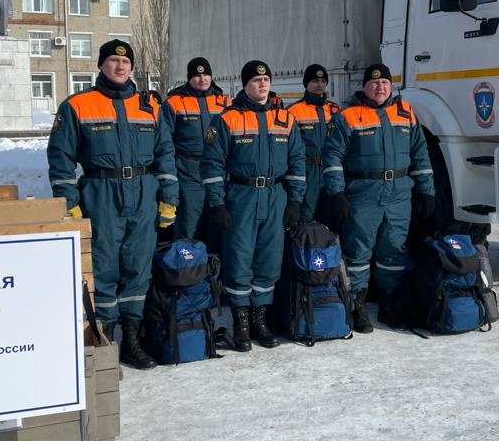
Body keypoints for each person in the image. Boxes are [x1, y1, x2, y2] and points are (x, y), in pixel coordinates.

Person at [47, 39, 178, 369]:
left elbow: (165, 155)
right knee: (103, 269)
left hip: (144, 193)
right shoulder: (78, 105)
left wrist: (168, 201)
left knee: (137, 268)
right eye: (113, 60)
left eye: (125, 61)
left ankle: (131, 341)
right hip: (101, 193)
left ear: (132, 67)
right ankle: (104, 342)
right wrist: (69, 203)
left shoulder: (150, 107)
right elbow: (60, 157)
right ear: (101, 65)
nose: (120, 66)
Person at [201, 59, 306, 351]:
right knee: (239, 259)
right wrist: (217, 204)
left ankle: (260, 320)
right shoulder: (227, 119)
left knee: (268, 260)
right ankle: (241, 323)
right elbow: (211, 164)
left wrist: (295, 199)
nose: (262, 84)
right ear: (245, 85)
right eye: (256, 80)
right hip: (241, 196)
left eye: (266, 80)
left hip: (275, 195)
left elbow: (297, 161)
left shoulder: (285, 119)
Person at [322, 62, 435, 333]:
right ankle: (358, 304)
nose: (379, 87)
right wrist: (336, 193)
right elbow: (332, 157)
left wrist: (426, 192)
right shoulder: (348, 116)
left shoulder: (405, 113)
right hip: (364, 193)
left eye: (384, 82)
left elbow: (420, 155)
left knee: (393, 251)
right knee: (358, 252)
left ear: (391, 85)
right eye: (373, 83)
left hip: (398, 193)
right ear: (364, 87)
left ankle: (389, 302)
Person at [161, 57, 229, 240]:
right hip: (188, 172)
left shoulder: (224, 102)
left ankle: (214, 265)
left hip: (218, 173)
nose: (203, 79)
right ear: (189, 78)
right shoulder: (175, 102)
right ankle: (187, 266)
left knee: (217, 224)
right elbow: (165, 141)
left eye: (206, 74)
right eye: (198, 75)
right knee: (188, 224)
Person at [287, 63, 340, 224]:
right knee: (305, 216)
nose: (320, 85)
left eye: (323, 81)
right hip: (307, 171)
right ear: (306, 84)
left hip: (331, 172)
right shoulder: (293, 110)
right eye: (315, 81)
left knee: (331, 216)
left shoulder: (335, 110)